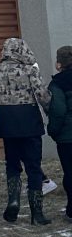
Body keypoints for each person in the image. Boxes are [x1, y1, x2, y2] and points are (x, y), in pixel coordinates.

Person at [0, 38, 51, 225]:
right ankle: (37, 213)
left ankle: (14, 201)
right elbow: (42, 95)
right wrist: (50, 109)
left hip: (6, 122)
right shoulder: (30, 70)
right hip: (29, 123)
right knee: (33, 167)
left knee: (12, 164)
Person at [48, 45, 72, 219]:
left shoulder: (58, 83)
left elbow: (58, 111)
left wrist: (53, 131)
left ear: (59, 63)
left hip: (67, 137)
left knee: (70, 173)